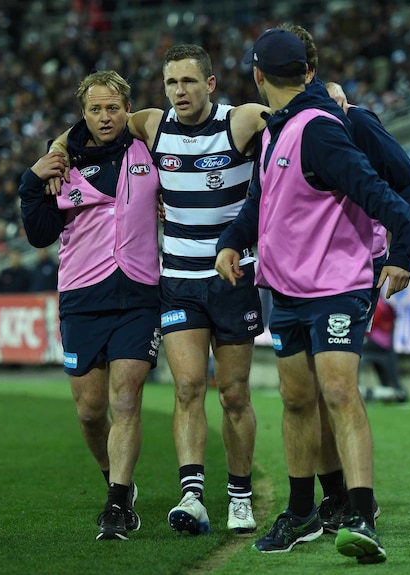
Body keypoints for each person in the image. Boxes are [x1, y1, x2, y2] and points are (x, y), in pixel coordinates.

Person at [215, 28, 410, 562]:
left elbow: (380, 192)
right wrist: (232, 241)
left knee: (338, 394)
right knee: (298, 399)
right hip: (284, 288)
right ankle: (303, 510)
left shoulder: (322, 127)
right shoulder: (278, 129)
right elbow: (259, 201)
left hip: (336, 286)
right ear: (306, 70)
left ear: (257, 75)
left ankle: (363, 515)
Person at [49, 44, 269, 535]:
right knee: (188, 388)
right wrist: (55, 151)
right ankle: (192, 496)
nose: (179, 91)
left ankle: (239, 495)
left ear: (209, 84)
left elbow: (284, 117)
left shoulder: (241, 121)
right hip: (178, 282)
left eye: (189, 82)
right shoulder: (153, 125)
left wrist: (334, 104)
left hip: (234, 278)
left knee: (233, 393)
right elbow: (82, 128)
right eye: (172, 83)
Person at [280, 23, 410, 534]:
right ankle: (337, 497)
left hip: (350, 272)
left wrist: (402, 256)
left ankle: (354, 503)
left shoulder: (351, 121)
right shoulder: (286, 123)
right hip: (300, 278)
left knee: (335, 389)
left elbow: (406, 182)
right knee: (310, 395)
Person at [19, 70, 162, 541]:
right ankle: (114, 481)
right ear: (83, 114)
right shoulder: (62, 164)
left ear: (127, 109)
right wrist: (29, 183)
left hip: (139, 292)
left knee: (126, 399)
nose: (106, 117)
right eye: (96, 109)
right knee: (89, 411)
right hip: (81, 297)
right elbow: (40, 234)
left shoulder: (148, 146)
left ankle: (118, 504)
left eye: (114, 108)